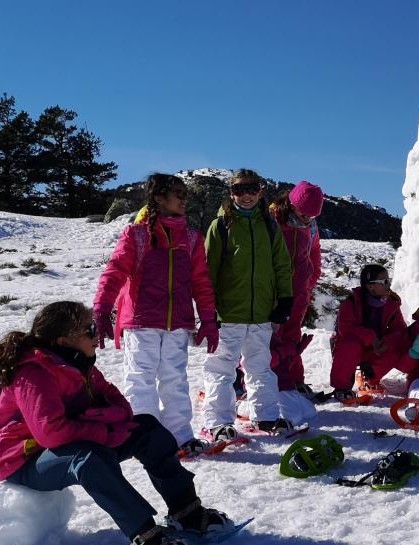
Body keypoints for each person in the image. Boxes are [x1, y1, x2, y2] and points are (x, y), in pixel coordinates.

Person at [0, 301, 231, 545]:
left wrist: (102, 424)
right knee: (89, 459)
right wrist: (103, 429)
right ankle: (143, 537)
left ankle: (186, 511)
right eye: (88, 329)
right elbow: (51, 433)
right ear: (64, 340)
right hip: (26, 460)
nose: (96, 335)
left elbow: (120, 405)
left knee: (147, 428)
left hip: (74, 441)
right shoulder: (33, 373)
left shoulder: (77, 363)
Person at [92, 174, 218, 456]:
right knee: (141, 379)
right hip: (141, 322)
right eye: (177, 193)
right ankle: (145, 439)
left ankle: (181, 437)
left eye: (185, 194)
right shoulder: (136, 234)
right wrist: (101, 307)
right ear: (159, 199)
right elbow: (115, 272)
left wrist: (208, 318)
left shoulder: (192, 237)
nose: (184, 198)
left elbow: (201, 282)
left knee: (175, 379)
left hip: (178, 323)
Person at [201, 169, 295, 436]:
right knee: (221, 368)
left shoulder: (269, 225)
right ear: (232, 193)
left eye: (251, 189)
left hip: (261, 313)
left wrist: (285, 299)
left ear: (260, 192)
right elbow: (209, 269)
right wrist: (209, 309)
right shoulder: (220, 226)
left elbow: (281, 265)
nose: (246, 196)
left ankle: (264, 417)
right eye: (239, 190)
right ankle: (218, 422)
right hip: (228, 313)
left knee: (260, 368)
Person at [319, 264, 408, 403]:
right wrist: (371, 338)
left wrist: (385, 342)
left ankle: (370, 379)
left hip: (376, 348)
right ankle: (341, 387)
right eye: (384, 282)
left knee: (396, 346)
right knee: (350, 344)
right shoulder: (352, 301)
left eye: (388, 280)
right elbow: (346, 328)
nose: (388, 285)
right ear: (370, 286)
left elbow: (400, 330)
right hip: (353, 347)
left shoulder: (391, 303)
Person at [268, 181, 325, 396]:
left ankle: (293, 381)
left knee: (292, 337)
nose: (307, 220)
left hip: (299, 292)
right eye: (303, 214)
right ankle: (262, 382)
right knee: (269, 338)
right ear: (291, 204)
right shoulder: (271, 219)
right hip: (273, 293)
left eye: (311, 216)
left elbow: (315, 255)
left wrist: (308, 283)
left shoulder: (311, 227)